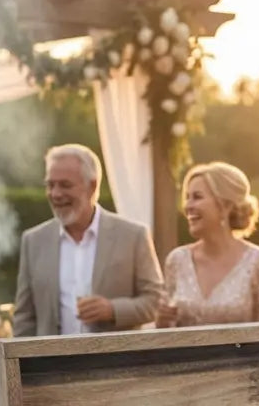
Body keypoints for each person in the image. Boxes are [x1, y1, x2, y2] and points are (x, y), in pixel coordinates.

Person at [12, 144, 162, 337]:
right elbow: (24, 318)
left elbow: (156, 301)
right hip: (52, 357)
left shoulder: (133, 235)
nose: (55, 194)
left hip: (114, 356)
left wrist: (112, 310)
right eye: (50, 185)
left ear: (92, 186)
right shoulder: (33, 241)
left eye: (65, 185)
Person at [156, 162, 259, 328]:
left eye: (197, 197)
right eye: (187, 197)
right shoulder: (176, 260)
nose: (187, 206)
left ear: (225, 206)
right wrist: (162, 321)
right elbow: (166, 333)